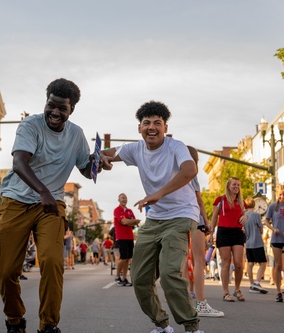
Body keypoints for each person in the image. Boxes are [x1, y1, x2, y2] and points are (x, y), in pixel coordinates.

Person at [0, 78, 108, 333]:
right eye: (51, 105)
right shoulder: (30, 125)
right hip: (17, 201)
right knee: (5, 270)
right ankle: (14, 319)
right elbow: (19, 163)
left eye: (62, 108)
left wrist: (96, 164)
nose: (55, 112)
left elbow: (85, 169)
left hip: (51, 205)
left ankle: (48, 325)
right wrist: (43, 191)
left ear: (72, 109)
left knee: (52, 262)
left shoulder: (76, 134)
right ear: (46, 102)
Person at [102, 101, 202, 333]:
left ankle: (192, 327)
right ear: (139, 128)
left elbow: (190, 170)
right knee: (140, 279)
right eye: (146, 123)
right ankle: (161, 324)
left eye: (157, 122)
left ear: (165, 127)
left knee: (169, 274)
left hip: (181, 215)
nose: (152, 127)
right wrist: (101, 159)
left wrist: (158, 193)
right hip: (155, 220)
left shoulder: (176, 146)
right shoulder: (135, 149)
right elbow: (106, 153)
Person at [186, 146, 224, 317]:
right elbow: (200, 201)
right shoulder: (191, 174)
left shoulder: (171, 174)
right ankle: (201, 304)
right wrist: (208, 223)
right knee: (199, 262)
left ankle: (183, 300)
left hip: (177, 221)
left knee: (181, 262)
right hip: (195, 221)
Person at [209, 177, 247, 303]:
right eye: (234, 184)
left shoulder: (241, 202)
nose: (236, 187)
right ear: (228, 186)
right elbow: (214, 218)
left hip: (237, 232)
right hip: (223, 231)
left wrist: (245, 216)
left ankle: (237, 289)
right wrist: (210, 234)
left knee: (239, 264)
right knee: (226, 262)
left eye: (238, 185)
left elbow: (244, 214)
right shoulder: (220, 200)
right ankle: (226, 292)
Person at [113, 193, 139, 286]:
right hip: (121, 237)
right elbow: (124, 221)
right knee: (123, 258)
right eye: (122, 198)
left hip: (130, 237)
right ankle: (117, 276)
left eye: (126, 198)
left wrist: (129, 222)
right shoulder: (117, 210)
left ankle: (124, 278)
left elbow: (135, 223)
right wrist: (130, 222)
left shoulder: (129, 211)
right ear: (119, 200)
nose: (124, 199)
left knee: (128, 259)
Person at [243, 198, 268, 295]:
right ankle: (257, 282)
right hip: (257, 242)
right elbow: (261, 228)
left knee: (250, 263)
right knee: (263, 263)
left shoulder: (244, 216)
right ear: (254, 205)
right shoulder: (256, 215)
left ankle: (251, 283)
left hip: (248, 243)